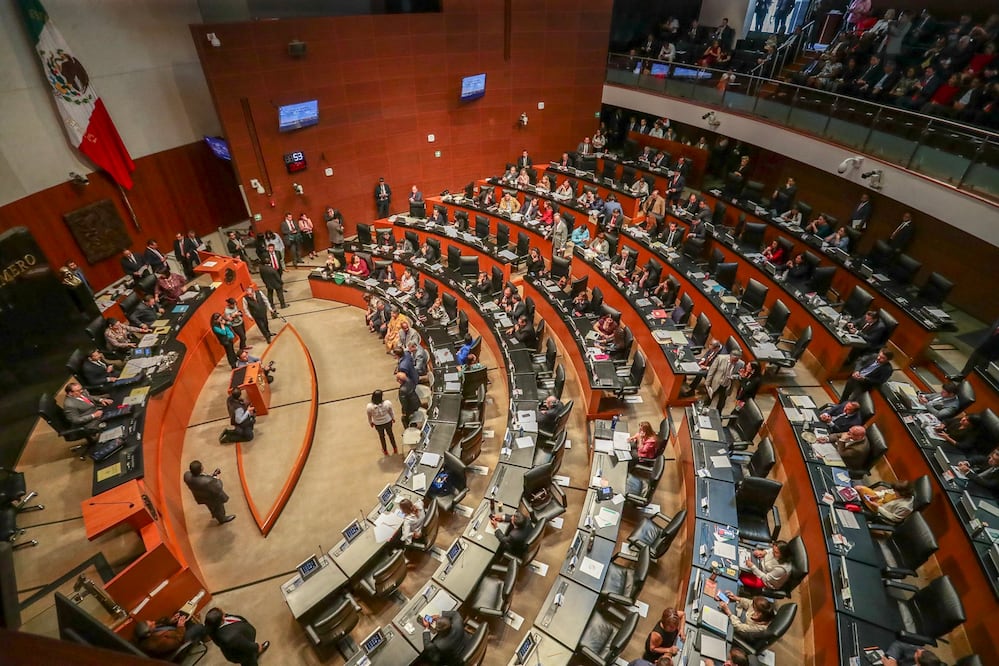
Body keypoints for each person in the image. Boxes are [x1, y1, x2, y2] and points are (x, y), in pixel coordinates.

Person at [133, 610, 206, 658]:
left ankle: (196, 636)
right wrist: (180, 627)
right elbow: (178, 641)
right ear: (148, 634)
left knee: (181, 613)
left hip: (174, 632)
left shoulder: (149, 634)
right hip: (180, 642)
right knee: (199, 627)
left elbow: (161, 625)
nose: (153, 622)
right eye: (151, 624)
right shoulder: (158, 644)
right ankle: (202, 637)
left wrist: (171, 620)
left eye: (150, 621)